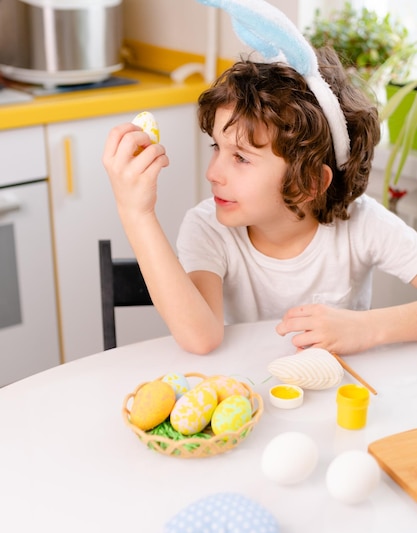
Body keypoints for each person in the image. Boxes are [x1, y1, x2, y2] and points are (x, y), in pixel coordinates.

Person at [102, 47, 417, 356]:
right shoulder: (209, 227)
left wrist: (365, 327)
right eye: (217, 147)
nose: (213, 173)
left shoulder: (362, 224)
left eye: (240, 157)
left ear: (309, 182)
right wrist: (136, 213)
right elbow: (200, 338)